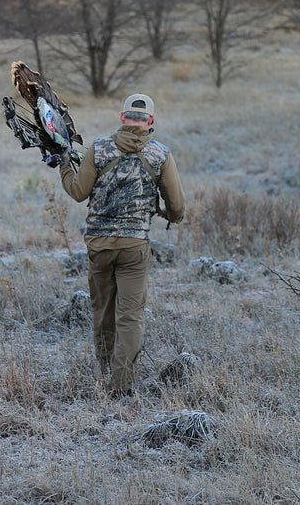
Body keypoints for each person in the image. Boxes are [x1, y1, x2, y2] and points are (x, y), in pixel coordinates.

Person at [57, 93, 185, 397]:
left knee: (102, 310)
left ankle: (104, 369)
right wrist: (167, 213)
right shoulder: (161, 155)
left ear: (121, 117)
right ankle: (122, 385)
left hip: (99, 246)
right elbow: (178, 208)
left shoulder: (98, 148)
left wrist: (64, 166)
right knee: (131, 315)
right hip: (135, 248)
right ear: (150, 121)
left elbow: (77, 192)